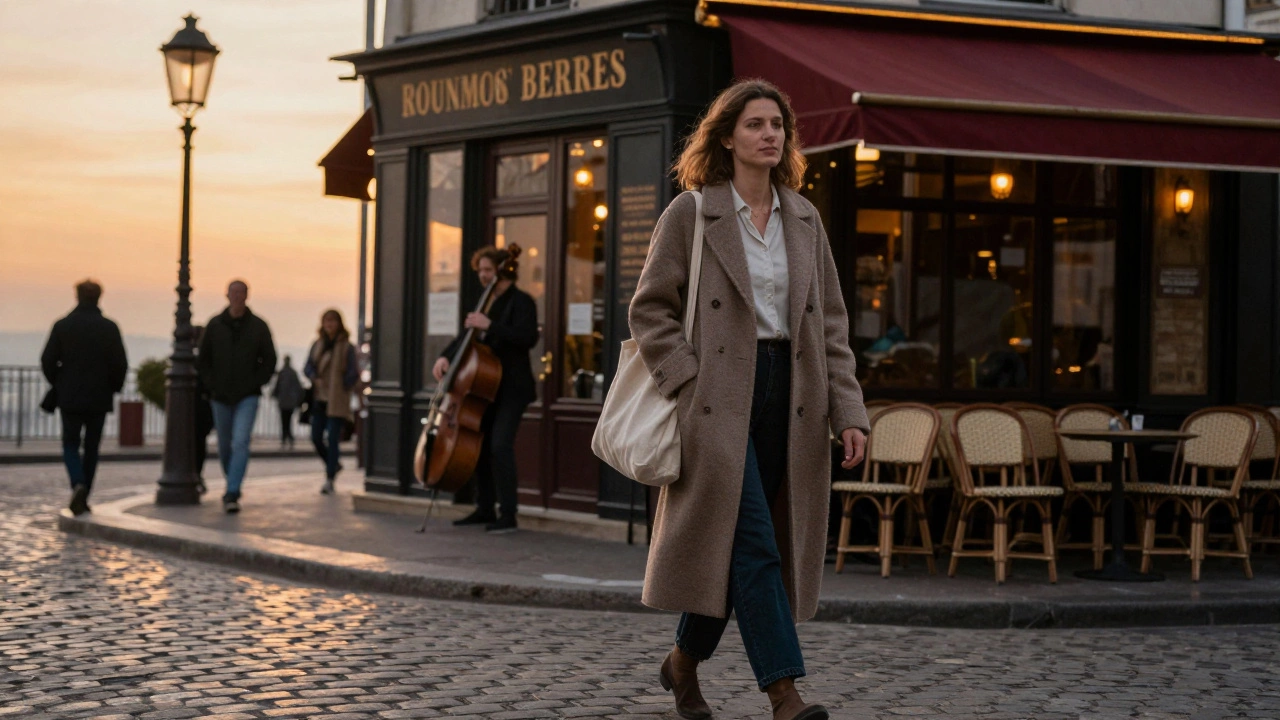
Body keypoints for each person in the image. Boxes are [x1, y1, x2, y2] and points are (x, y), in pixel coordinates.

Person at [629, 79, 869, 720]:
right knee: (756, 543)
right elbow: (650, 310)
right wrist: (689, 381)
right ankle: (783, 694)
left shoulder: (805, 219)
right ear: (727, 138)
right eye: (755, 124)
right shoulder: (691, 213)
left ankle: (682, 665)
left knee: (733, 545)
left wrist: (848, 410)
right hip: (716, 400)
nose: (769, 135)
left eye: (777, 125)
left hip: (792, 398)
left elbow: (831, 325)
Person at [433, 246, 538, 534]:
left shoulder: (522, 302)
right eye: (480, 270)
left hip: (512, 388)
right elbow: (466, 338)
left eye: (488, 270)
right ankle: (484, 508)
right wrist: (445, 357)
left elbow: (527, 337)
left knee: (500, 445)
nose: (482, 275)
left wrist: (490, 325)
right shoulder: (485, 301)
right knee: (478, 446)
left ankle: (508, 514)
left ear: (503, 270)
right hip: (482, 388)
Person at [40, 279, 128, 516]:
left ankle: (77, 482)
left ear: (77, 296)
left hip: (69, 395)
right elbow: (120, 364)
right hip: (99, 396)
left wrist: (58, 382)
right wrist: (113, 387)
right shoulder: (109, 328)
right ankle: (85, 492)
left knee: (70, 443)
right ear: (99, 297)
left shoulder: (63, 326)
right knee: (91, 447)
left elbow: (47, 360)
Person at [197, 280, 276, 513]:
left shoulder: (258, 326)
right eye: (234, 292)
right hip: (220, 395)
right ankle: (232, 478)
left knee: (240, 441)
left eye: (241, 292)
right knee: (224, 445)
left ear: (247, 295)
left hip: (247, 395)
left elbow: (269, 359)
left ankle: (232, 490)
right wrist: (211, 384)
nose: (238, 296)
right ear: (227, 295)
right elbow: (203, 359)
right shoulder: (215, 325)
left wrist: (257, 381)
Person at [303, 311, 357, 495]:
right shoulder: (317, 345)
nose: (329, 325)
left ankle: (329, 477)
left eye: (333, 321)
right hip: (320, 397)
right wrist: (315, 378)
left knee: (333, 438)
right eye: (327, 321)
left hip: (337, 398)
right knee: (316, 437)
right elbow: (308, 367)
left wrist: (343, 384)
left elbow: (353, 372)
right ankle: (333, 464)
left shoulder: (347, 347)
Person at [272, 355, 305, 449]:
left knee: (284, 420)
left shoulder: (282, 373)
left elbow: (277, 387)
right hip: (290, 401)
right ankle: (288, 437)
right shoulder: (292, 373)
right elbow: (298, 387)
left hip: (283, 401)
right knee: (288, 420)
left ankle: (285, 437)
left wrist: (274, 394)